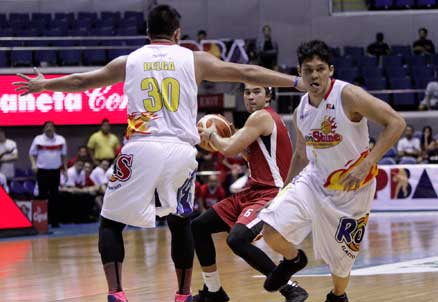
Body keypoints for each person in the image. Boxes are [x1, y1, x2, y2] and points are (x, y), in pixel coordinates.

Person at [13, 5, 305, 302]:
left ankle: (116, 294)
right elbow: (246, 71)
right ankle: (182, 295)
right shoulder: (194, 59)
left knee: (111, 222)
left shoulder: (130, 60)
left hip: (142, 146)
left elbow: (80, 81)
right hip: (181, 151)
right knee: (181, 223)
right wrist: (295, 82)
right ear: (178, 33)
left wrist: (43, 85)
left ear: (147, 33)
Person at [258, 40, 405, 302]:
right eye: (308, 70)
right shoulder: (300, 109)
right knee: (270, 228)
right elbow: (301, 154)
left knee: (341, 267)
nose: (314, 75)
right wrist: (283, 191)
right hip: (313, 182)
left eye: (320, 69)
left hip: (352, 190)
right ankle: (293, 260)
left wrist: (368, 162)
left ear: (331, 70)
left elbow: (396, 122)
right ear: (300, 73)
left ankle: (338, 297)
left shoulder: (348, 95)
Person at [193, 84, 306, 302]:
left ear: (269, 95)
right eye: (247, 93)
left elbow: (228, 149)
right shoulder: (259, 121)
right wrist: (226, 139)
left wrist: (212, 136)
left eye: (257, 92)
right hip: (252, 191)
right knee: (198, 227)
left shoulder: (261, 117)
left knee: (237, 239)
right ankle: (213, 290)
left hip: (270, 193)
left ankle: (291, 288)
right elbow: (247, 154)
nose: (251, 97)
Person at [29, 121, 67, 228]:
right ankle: (42, 222)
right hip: (42, 171)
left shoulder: (61, 140)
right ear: (44, 129)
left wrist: (65, 169)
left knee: (55, 196)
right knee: (42, 196)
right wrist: (33, 165)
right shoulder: (38, 139)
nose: (49, 129)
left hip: (55, 171)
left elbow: (64, 156)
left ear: (54, 129)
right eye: (47, 127)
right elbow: (32, 154)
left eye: (51, 127)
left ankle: (55, 221)